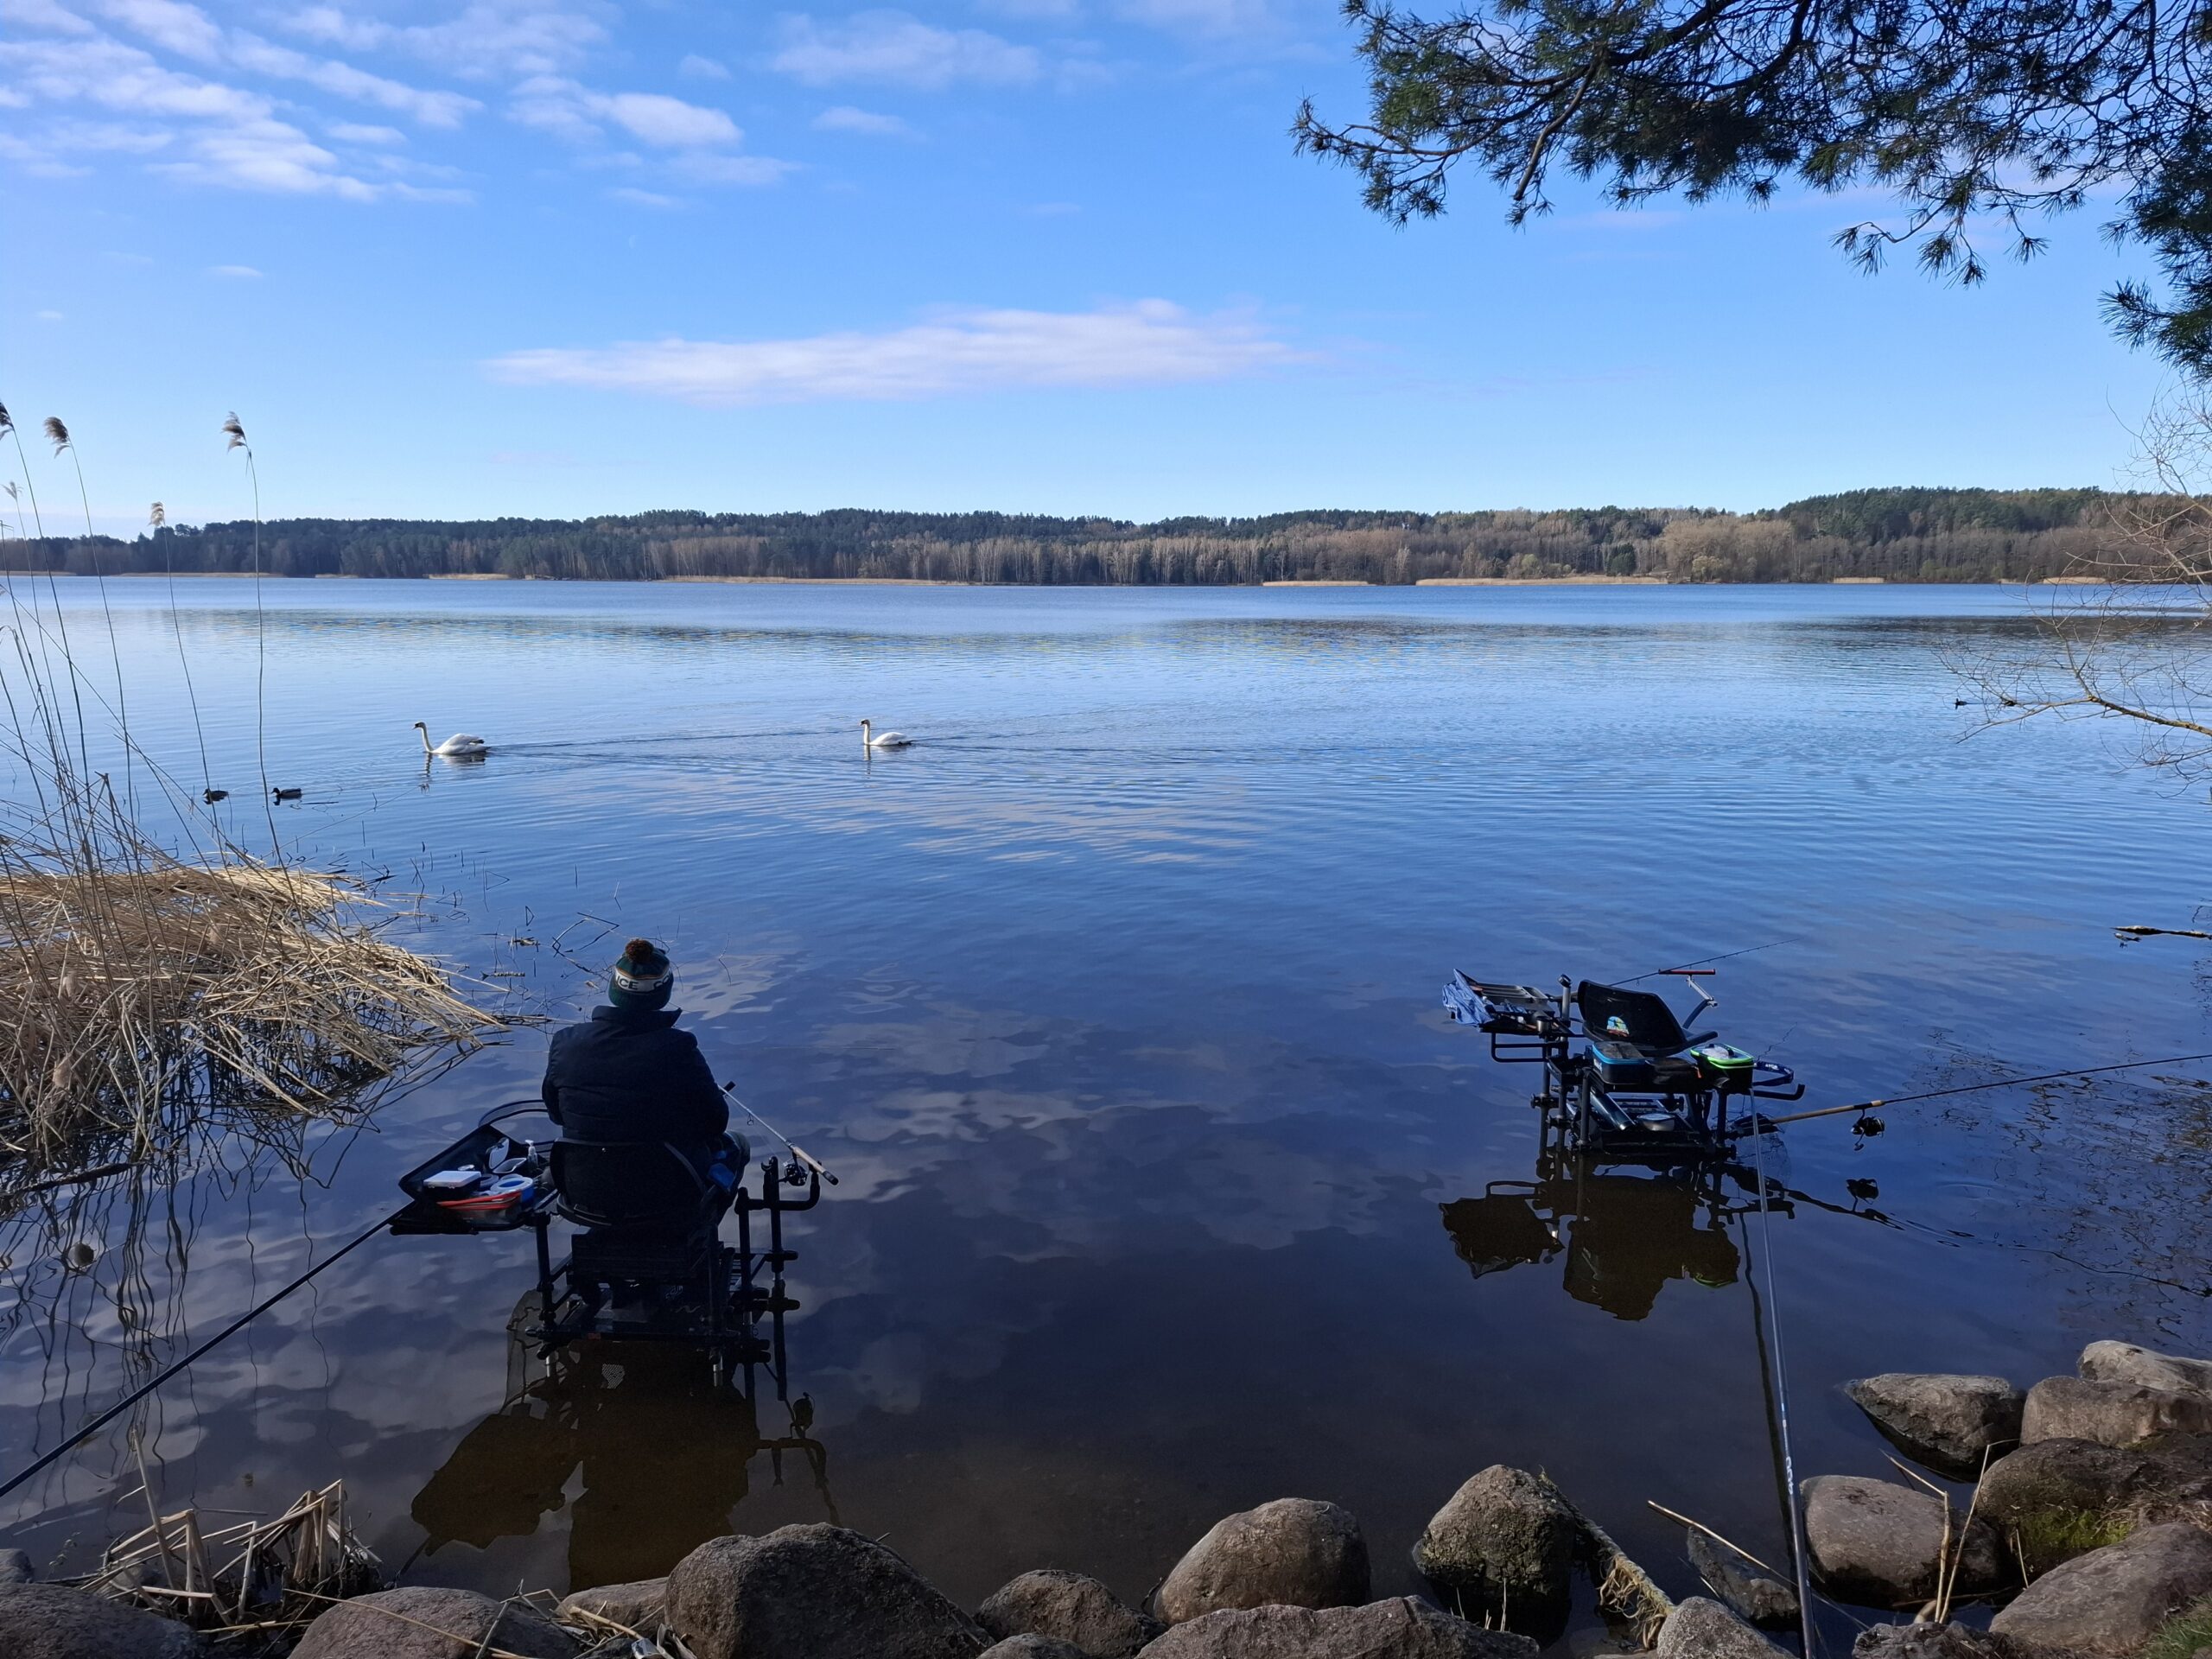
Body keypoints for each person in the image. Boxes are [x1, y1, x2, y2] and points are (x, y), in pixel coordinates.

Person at [542, 939, 739, 1208]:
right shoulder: (678, 1047)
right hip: (667, 1189)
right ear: (663, 993)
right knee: (736, 1146)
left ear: (615, 989)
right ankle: (701, 1236)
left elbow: (556, 1114)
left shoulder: (565, 1041)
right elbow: (716, 1122)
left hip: (586, 1188)